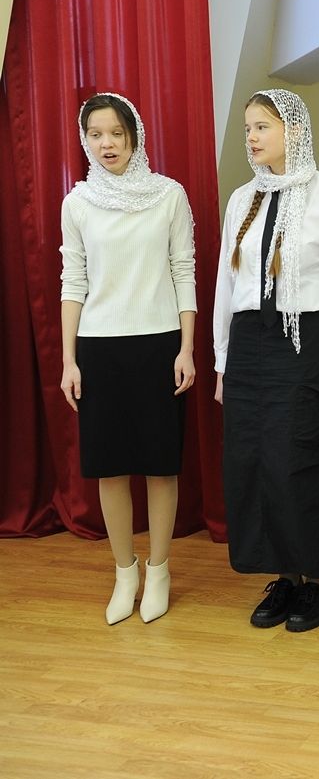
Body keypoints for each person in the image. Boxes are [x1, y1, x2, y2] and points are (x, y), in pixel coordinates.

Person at [213, 89, 319, 633]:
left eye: (262, 127)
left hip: (304, 343)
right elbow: (227, 284)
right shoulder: (241, 199)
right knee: (253, 461)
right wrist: (222, 361)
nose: (251, 138)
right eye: (248, 128)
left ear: (293, 130)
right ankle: (285, 577)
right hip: (249, 343)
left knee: (299, 460)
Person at [60, 92, 197, 625]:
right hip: (98, 347)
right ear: (85, 141)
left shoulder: (169, 195)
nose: (106, 144)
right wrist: (69, 360)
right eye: (95, 134)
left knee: (161, 466)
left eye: (116, 133)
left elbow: (183, 270)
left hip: (160, 342)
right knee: (110, 468)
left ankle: (159, 569)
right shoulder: (77, 202)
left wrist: (187, 348)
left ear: (134, 136)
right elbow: (73, 281)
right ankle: (125, 572)